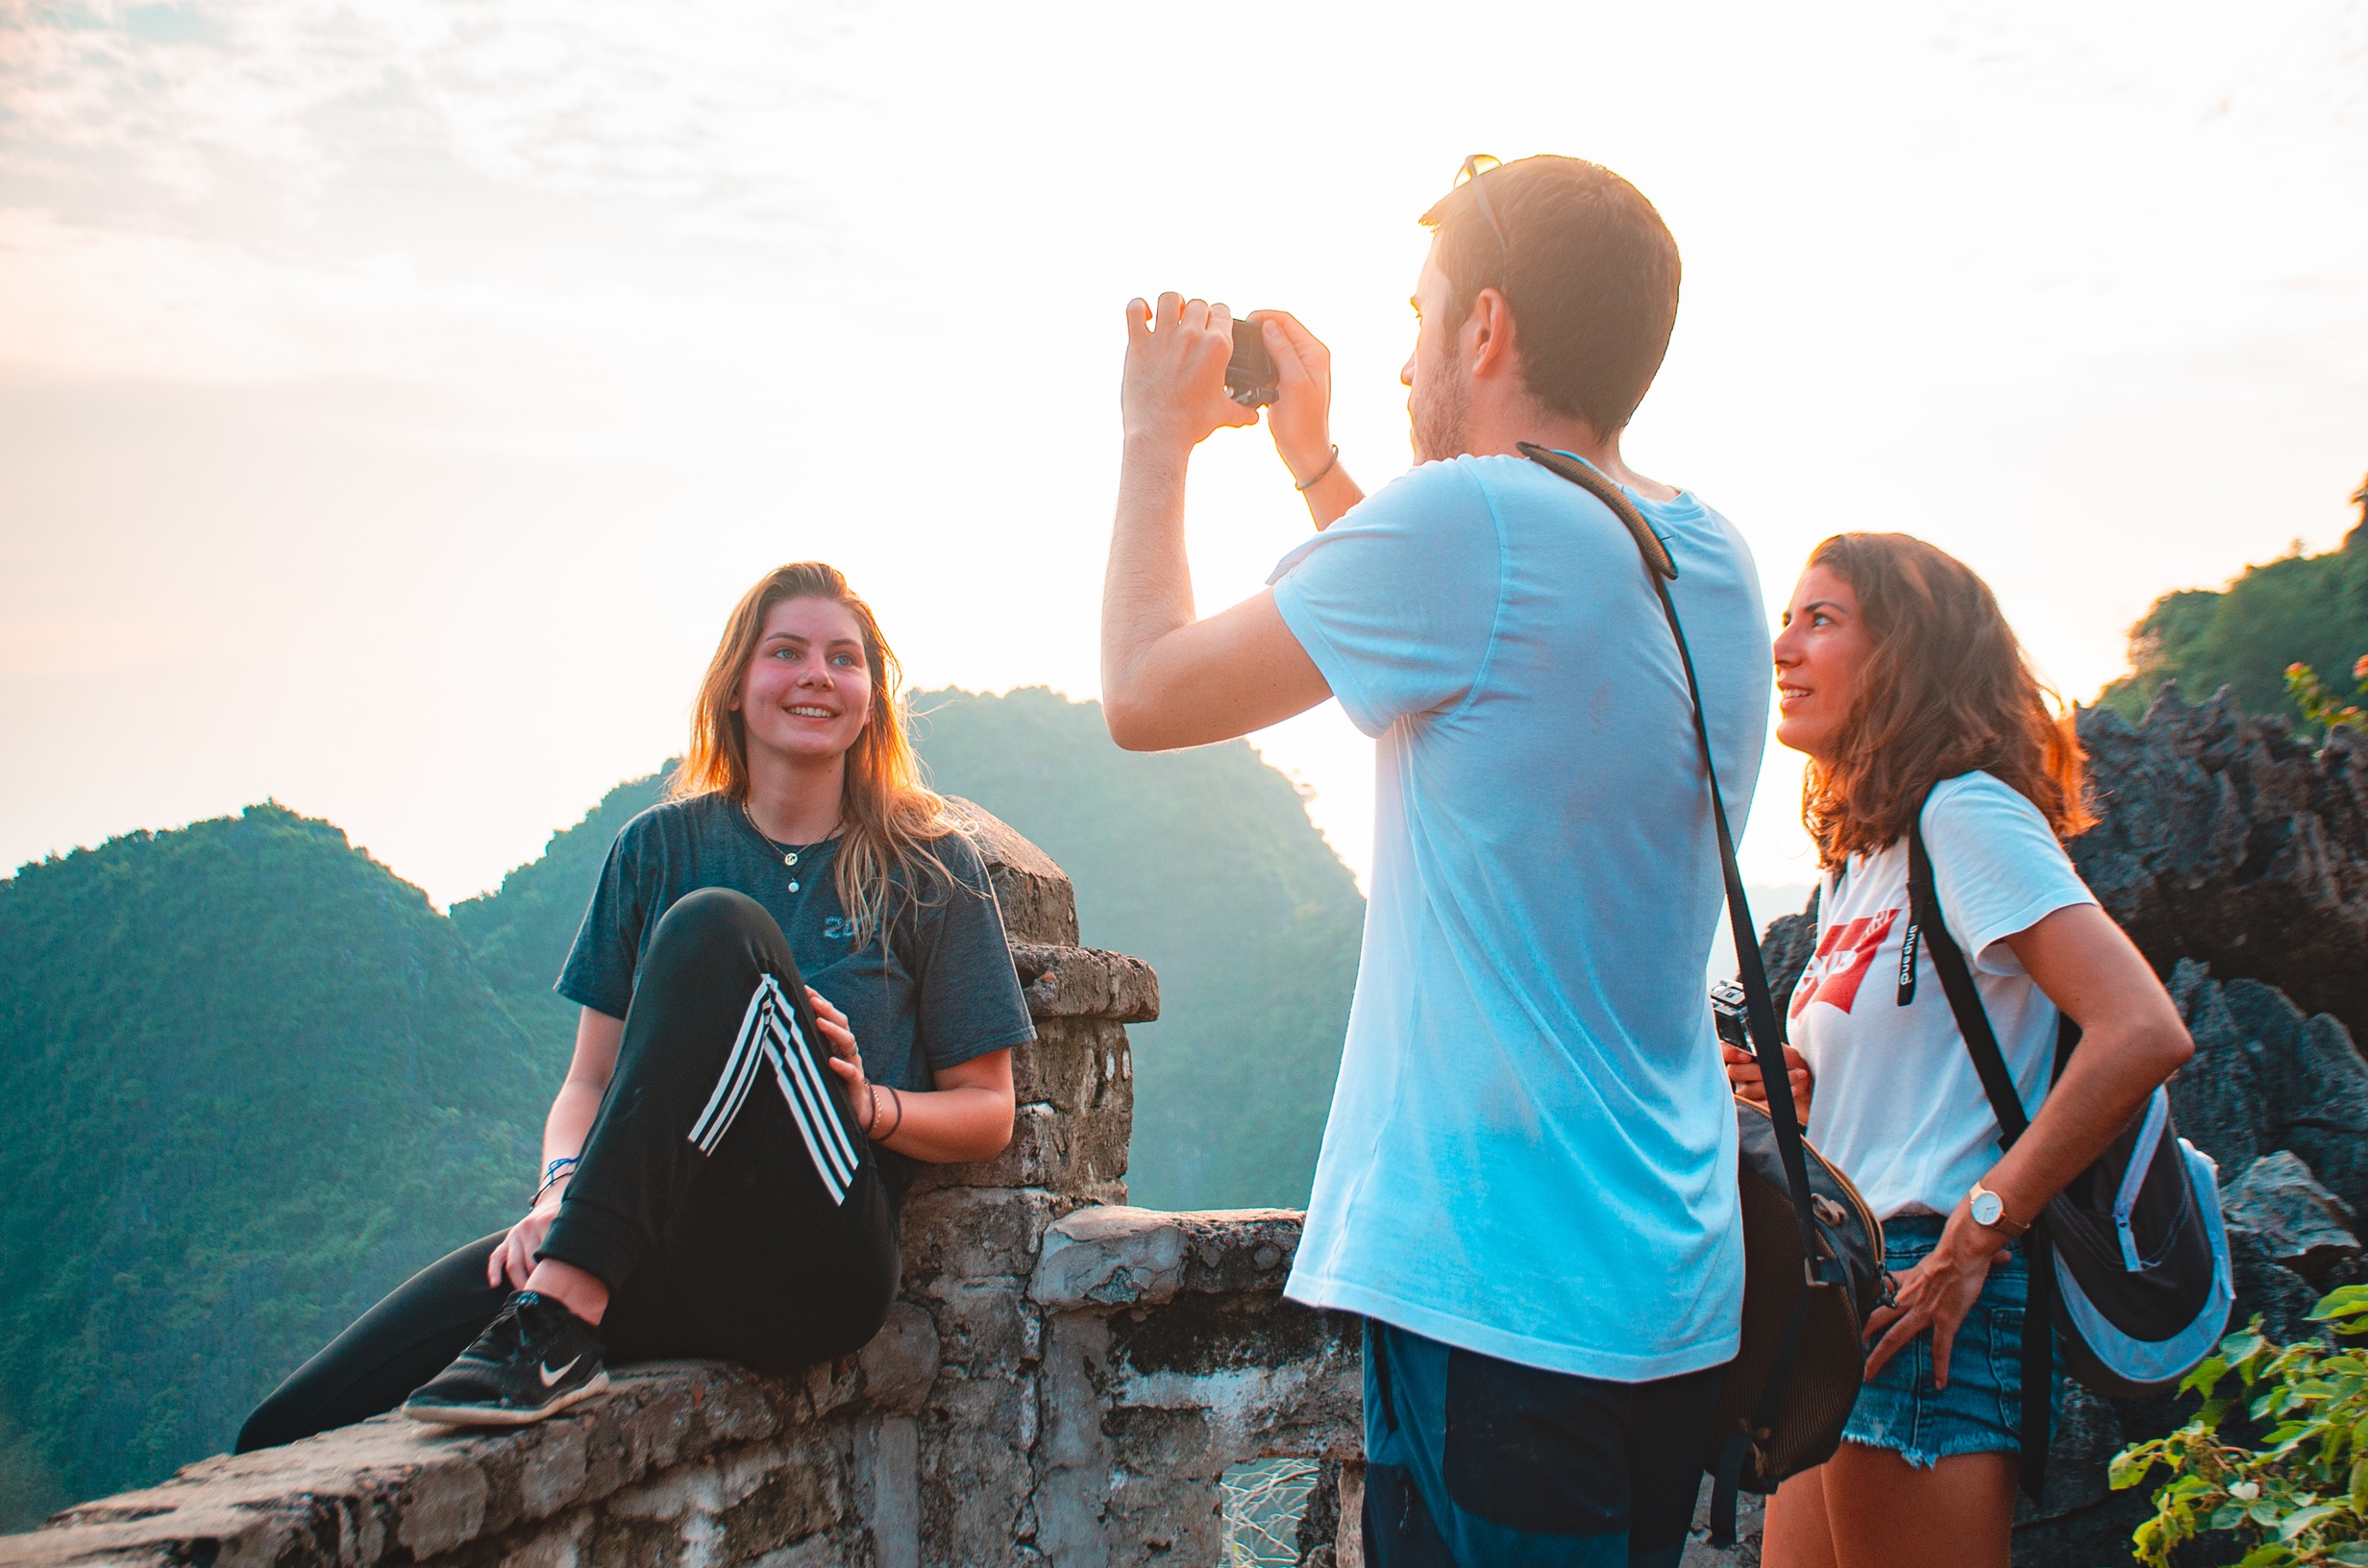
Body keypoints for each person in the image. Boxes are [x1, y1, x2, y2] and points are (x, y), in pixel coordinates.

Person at [1102, 155, 1768, 1567]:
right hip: (1670, 1288)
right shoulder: (1704, 555)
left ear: (1485, 329)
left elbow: (1146, 692)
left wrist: (1155, 438)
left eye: (1416, 322)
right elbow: (1474, 647)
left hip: (1499, 1300)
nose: (1404, 359)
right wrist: (1312, 460)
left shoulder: (1469, 521)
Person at [237, 561, 1031, 1444]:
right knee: (290, 1425)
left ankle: (562, 1315)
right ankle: (565, 1293)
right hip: (650, 1241)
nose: (816, 674)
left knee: (720, 932)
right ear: (735, 687)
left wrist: (865, 1104)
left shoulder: (928, 869)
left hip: (817, 1257)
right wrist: (560, 1190)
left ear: (872, 699)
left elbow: (987, 1109)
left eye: (844, 659)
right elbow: (590, 1082)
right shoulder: (658, 847)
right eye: (786, 652)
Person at [1729, 534, 2194, 1568]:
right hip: (1836, 1285)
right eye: (1789, 618)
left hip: (1920, 1275)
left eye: (1821, 620)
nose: (1782, 646)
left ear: (1907, 655)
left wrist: (1979, 1231)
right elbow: (1923, 1073)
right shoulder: (1863, 860)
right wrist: (1795, 1092)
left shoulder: (1967, 815)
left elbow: (2141, 1030)